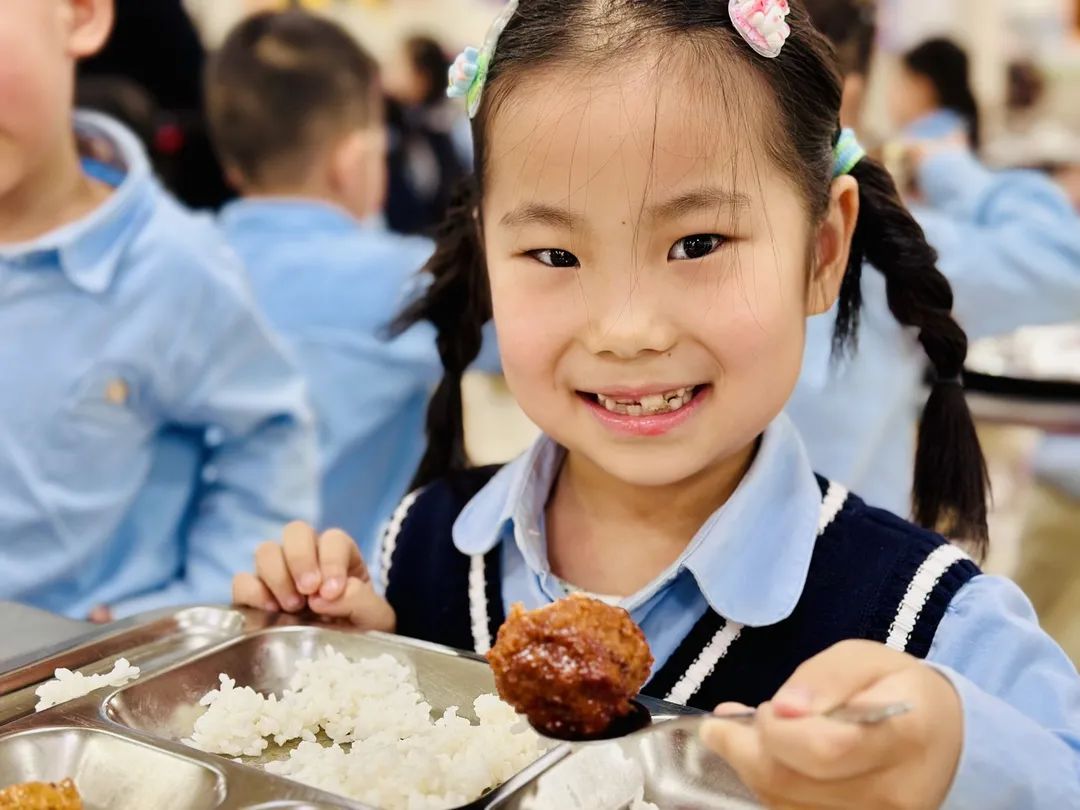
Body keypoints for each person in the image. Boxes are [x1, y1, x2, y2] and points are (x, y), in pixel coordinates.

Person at [234, 1, 1079, 807]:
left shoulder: (925, 617)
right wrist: (354, 665)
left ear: (823, 250)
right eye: (554, 253)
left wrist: (955, 760)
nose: (627, 330)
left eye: (698, 243)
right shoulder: (419, 547)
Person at [0, 0, 319, 620]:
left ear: (79, 16)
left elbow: (266, 438)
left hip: (83, 679)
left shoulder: (175, 266)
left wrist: (185, 613)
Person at [788, 0, 1080, 516]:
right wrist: (950, 168)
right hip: (862, 571)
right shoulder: (879, 243)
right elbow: (1065, 262)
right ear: (851, 92)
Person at [207, 11, 456, 560]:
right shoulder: (405, 279)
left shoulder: (186, 263)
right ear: (353, 160)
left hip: (204, 589)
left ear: (231, 162)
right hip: (341, 599)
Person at [382, 35, 470, 236]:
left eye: (397, 67)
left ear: (422, 78)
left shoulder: (444, 126)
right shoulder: (389, 122)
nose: (387, 75)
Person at [890, 37, 982, 150]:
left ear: (923, 87)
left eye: (902, 83)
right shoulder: (961, 129)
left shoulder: (915, 147)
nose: (892, 94)